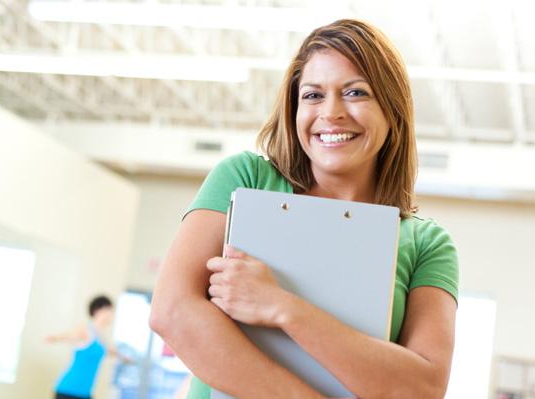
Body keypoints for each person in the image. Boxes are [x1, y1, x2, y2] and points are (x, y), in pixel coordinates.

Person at [150, 19, 459, 399]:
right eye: (313, 95)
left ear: (392, 111)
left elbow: (422, 389)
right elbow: (172, 313)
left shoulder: (427, 243)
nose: (331, 113)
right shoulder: (244, 180)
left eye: (355, 92)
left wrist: (282, 307)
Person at [47, 295, 131, 399]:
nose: (112, 315)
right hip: (68, 390)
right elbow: (71, 335)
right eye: (110, 310)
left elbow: (111, 351)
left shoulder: (101, 337)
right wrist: (56, 337)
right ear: (98, 310)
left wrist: (124, 357)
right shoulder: (86, 331)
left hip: (85, 393)